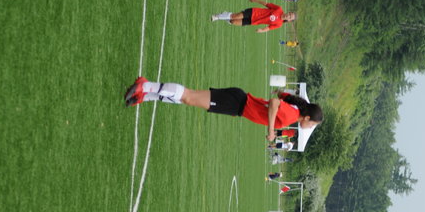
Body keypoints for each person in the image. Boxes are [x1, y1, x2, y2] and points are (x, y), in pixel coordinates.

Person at [124, 77, 322, 142]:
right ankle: (145, 85)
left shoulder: (294, 114)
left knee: (189, 100)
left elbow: (278, 98)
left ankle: (145, 95)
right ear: (307, 118)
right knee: (189, 96)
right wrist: (271, 129)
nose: (310, 127)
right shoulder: (293, 115)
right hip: (237, 103)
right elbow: (274, 102)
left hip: (237, 105)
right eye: (312, 124)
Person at [210, 0, 295, 33]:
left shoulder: (279, 24)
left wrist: (262, 30)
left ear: (289, 20)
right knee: (235, 16)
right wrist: (256, 0)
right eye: (290, 14)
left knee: (233, 21)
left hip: (254, 21)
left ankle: (225, 14)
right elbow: (266, 4)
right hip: (254, 12)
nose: (288, 16)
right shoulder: (279, 9)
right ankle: (217, 16)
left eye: (290, 17)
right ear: (288, 12)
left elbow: (269, 28)